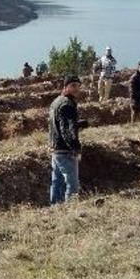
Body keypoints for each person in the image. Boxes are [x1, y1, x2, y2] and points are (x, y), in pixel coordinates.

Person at [48, 75, 84, 204]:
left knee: (56, 182)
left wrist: (78, 124)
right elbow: (65, 129)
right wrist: (75, 147)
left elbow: (59, 124)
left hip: (55, 148)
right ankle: (72, 209)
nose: (76, 89)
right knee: (72, 184)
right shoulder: (67, 104)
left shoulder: (56, 101)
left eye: (78, 86)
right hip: (65, 150)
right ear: (66, 87)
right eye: (73, 85)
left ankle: (55, 208)